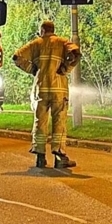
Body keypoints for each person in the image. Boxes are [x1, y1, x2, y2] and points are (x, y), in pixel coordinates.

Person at [13, 21, 81, 169]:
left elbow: (16, 57)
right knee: (59, 122)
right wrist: (65, 69)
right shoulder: (62, 42)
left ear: (42, 31)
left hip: (41, 89)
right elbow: (75, 53)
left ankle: (40, 157)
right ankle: (59, 156)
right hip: (59, 90)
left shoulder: (36, 44)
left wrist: (32, 69)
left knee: (40, 122)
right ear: (53, 30)